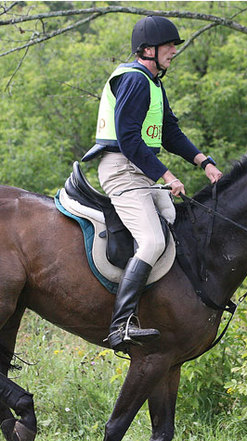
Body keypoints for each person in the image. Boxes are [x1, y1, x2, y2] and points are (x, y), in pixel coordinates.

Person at [82, 15, 224, 352]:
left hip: (139, 170)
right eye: (170, 45)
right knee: (151, 240)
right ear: (148, 50)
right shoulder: (134, 81)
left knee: (174, 224)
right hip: (122, 169)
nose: (174, 51)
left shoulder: (153, 82)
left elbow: (169, 132)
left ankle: (161, 309)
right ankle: (121, 324)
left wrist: (203, 161)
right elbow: (130, 139)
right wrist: (168, 175)